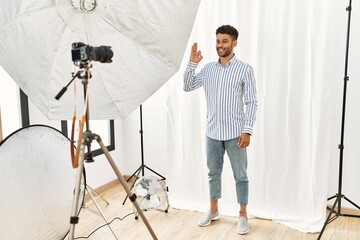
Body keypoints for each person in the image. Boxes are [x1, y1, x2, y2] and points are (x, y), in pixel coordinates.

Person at [183, 25, 257, 235]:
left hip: (236, 134)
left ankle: (242, 215)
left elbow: (251, 102)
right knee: (213, 173)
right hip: (212, 132)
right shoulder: (208, 69)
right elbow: (188, 86)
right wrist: (192, 63)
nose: (220, 45)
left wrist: (247, 130)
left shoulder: (245, 69)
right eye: (218, 41)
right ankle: (214, 210)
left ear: (234, 43)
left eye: (224, 41)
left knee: (240, 175)